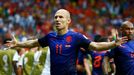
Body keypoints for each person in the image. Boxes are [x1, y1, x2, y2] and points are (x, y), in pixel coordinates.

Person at [7, 9, 127, 75]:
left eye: (61, 17)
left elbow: (95, 46)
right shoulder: (50, 36)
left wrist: (113, 44)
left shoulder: (76, 37)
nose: (57, 19)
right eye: (55, 17)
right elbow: (34, 43)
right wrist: (18, 44)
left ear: (68, 20)